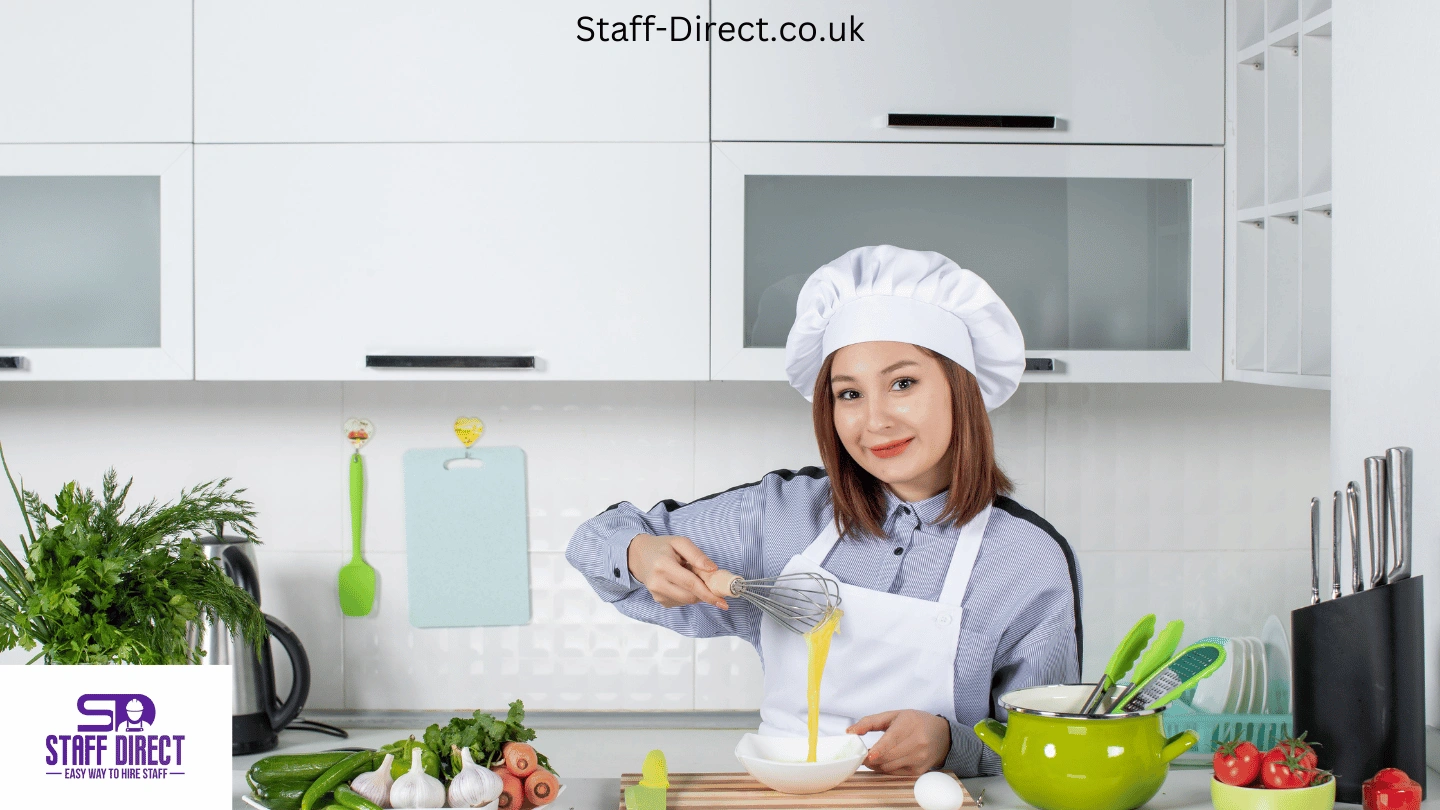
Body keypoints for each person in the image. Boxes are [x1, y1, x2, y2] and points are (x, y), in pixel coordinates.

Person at [566, 245, 1080, 777]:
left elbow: (1048, 749)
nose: (874, 420)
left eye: (903, 383)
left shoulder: (1028, 559)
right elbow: (590, 541)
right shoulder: (779, 516)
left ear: (959, 387)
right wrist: (638, 551)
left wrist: (951, 742)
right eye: (849, 393)